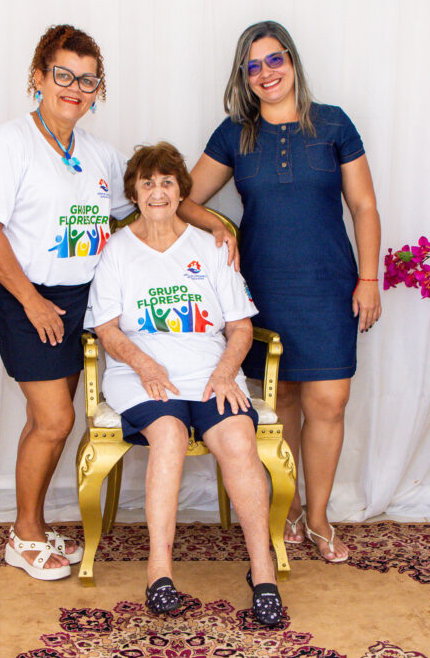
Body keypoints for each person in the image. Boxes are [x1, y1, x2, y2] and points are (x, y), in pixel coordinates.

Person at [177, 21, 382, 563]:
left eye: (274, 60)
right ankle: (287, 510)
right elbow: (182, 199)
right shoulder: (234, 134)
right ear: (243, 78)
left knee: (329, 401)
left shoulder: (334, 124)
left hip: (330, 286)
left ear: (292, 61)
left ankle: (319, 518)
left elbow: (364, 206)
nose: (266, 73)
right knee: (282, 399)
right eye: (253, 67)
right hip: (263, 287)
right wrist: (219, 225)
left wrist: (369, 279)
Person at [86, 142, 283, 625]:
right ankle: (159, 572)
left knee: (238, 440)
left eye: (167, 183)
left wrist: (224, 372)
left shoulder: (210, 246)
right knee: (170, 436)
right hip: (141, 375)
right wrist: (146, 366)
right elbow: (106, 328)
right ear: (134, 192)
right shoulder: (116, 250)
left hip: (210, 371)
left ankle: (263, 572)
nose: (157, 192)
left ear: (181, 192)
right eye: (147, 183)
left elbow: (240, 327)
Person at [0, 25, 136, 581]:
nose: (74, 88)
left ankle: (32, 526)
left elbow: (146, 199)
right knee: (55, 419)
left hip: (79, 300)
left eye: (87, 80)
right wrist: (32, 301)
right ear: (38, 77)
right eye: (63, 75)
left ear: (97, 90)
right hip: (26, 296)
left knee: (47, 421)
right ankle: (24, 535)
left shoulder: (99, 154)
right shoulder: (11, 142)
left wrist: (209, 224)